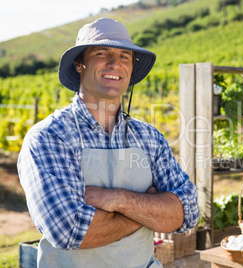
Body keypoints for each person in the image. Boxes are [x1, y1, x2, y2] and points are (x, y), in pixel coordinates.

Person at [17, 18, 199, 268]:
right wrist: (149, 210)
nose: (115, 63)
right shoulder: (50, 136)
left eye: (125, 57)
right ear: (79, 63)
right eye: (102, 53)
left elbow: (187, 213)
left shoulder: (149, 137)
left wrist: (117, 199)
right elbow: (69, 232)